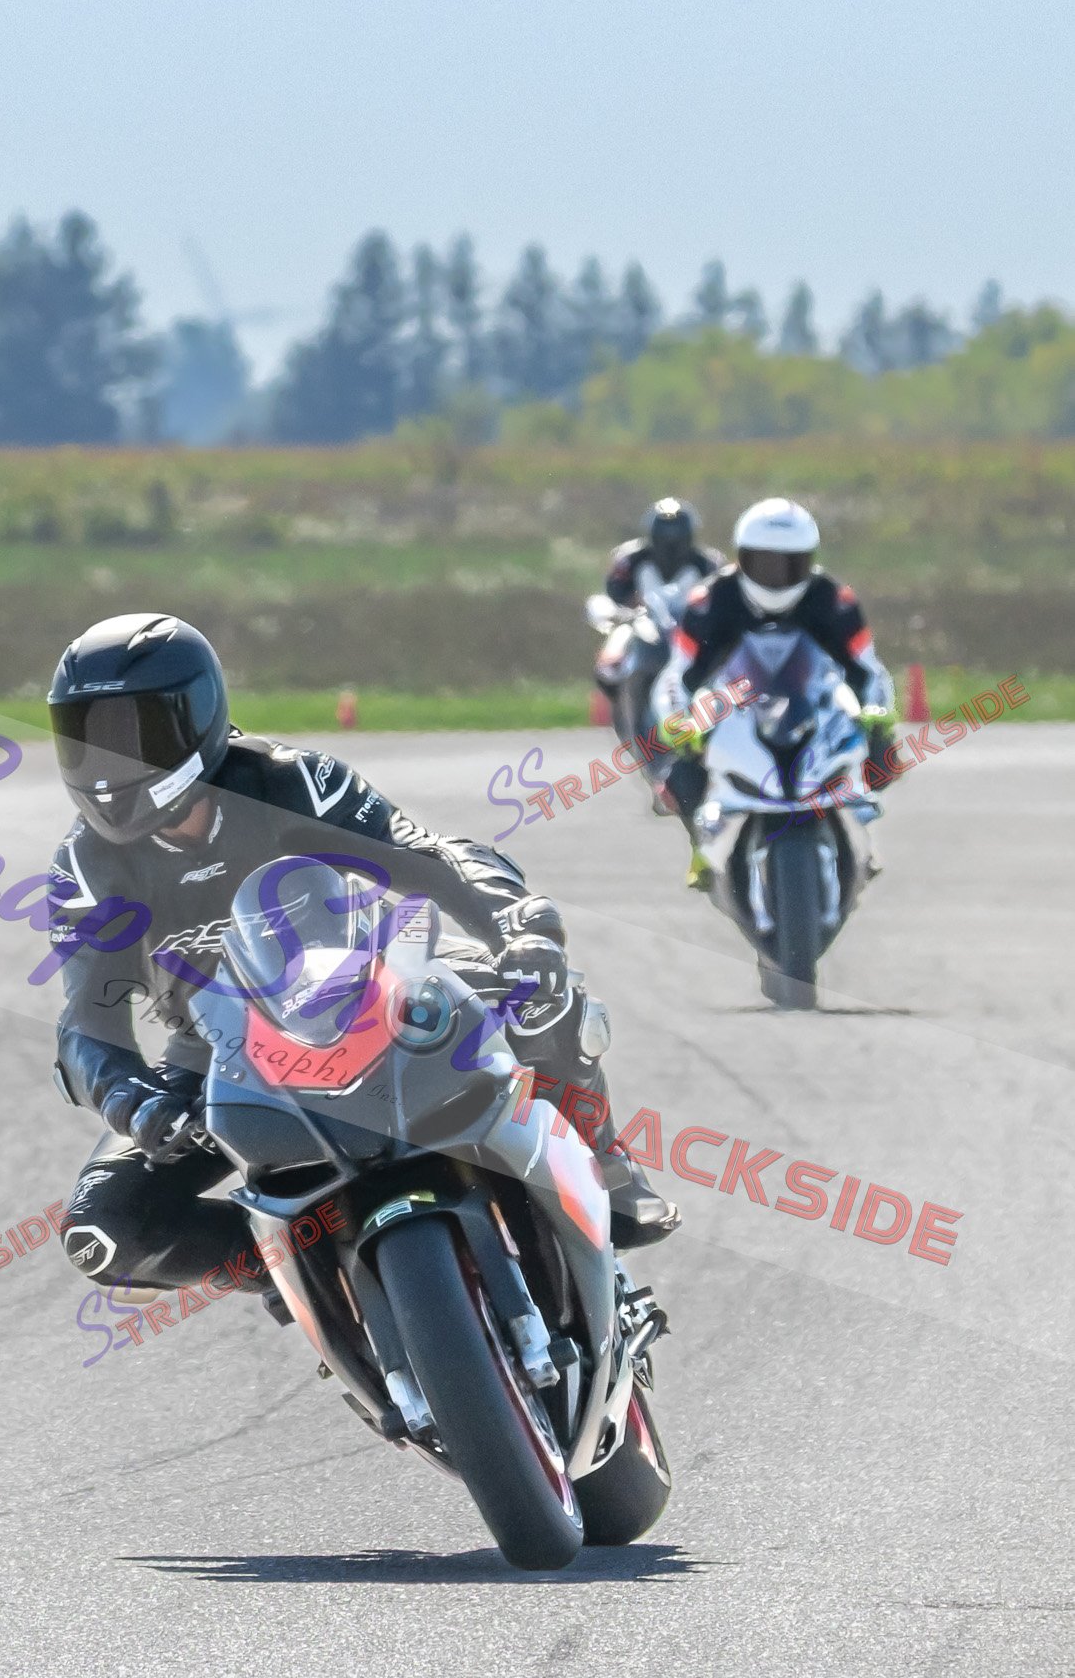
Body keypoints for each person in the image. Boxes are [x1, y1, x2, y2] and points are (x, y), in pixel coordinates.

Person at [46, 612, 678, 1311]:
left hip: (379, 989)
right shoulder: (86, 867)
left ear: (196, 717)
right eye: (87, 740)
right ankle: (301, 1273)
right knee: (103, 1230)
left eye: (132, 736)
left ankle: (605, 1166)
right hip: (221, 1055)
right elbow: (86, 1024)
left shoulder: (292, 783)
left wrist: (518, 925)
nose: (109, 766)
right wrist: (131, 1098)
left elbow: (430, 857)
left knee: (541, 995)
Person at [652, 498, 899, 887]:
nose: (777, 576)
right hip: (734, 705)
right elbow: (678, 673)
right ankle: (700, 847)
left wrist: (876, 710)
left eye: (790, 564)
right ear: (741, 557)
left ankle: (862, 832)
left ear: (809, 560)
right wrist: (677, 719)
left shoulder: (834, 599)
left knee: (885, 754)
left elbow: (867, 668)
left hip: (815, 704)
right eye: (764, 563)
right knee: (681, 776)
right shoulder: (709, 600)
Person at [593, 497, 723, 717]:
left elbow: (722, 599)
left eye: (677, 537)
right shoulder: (629, 559)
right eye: (664, 536)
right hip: (641, 623)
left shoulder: (708, 563)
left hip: (692, 628)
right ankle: (621, 703)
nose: (670, 543)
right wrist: (631, 608)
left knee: (721, 664)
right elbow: (615, 594)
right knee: (610, 665)